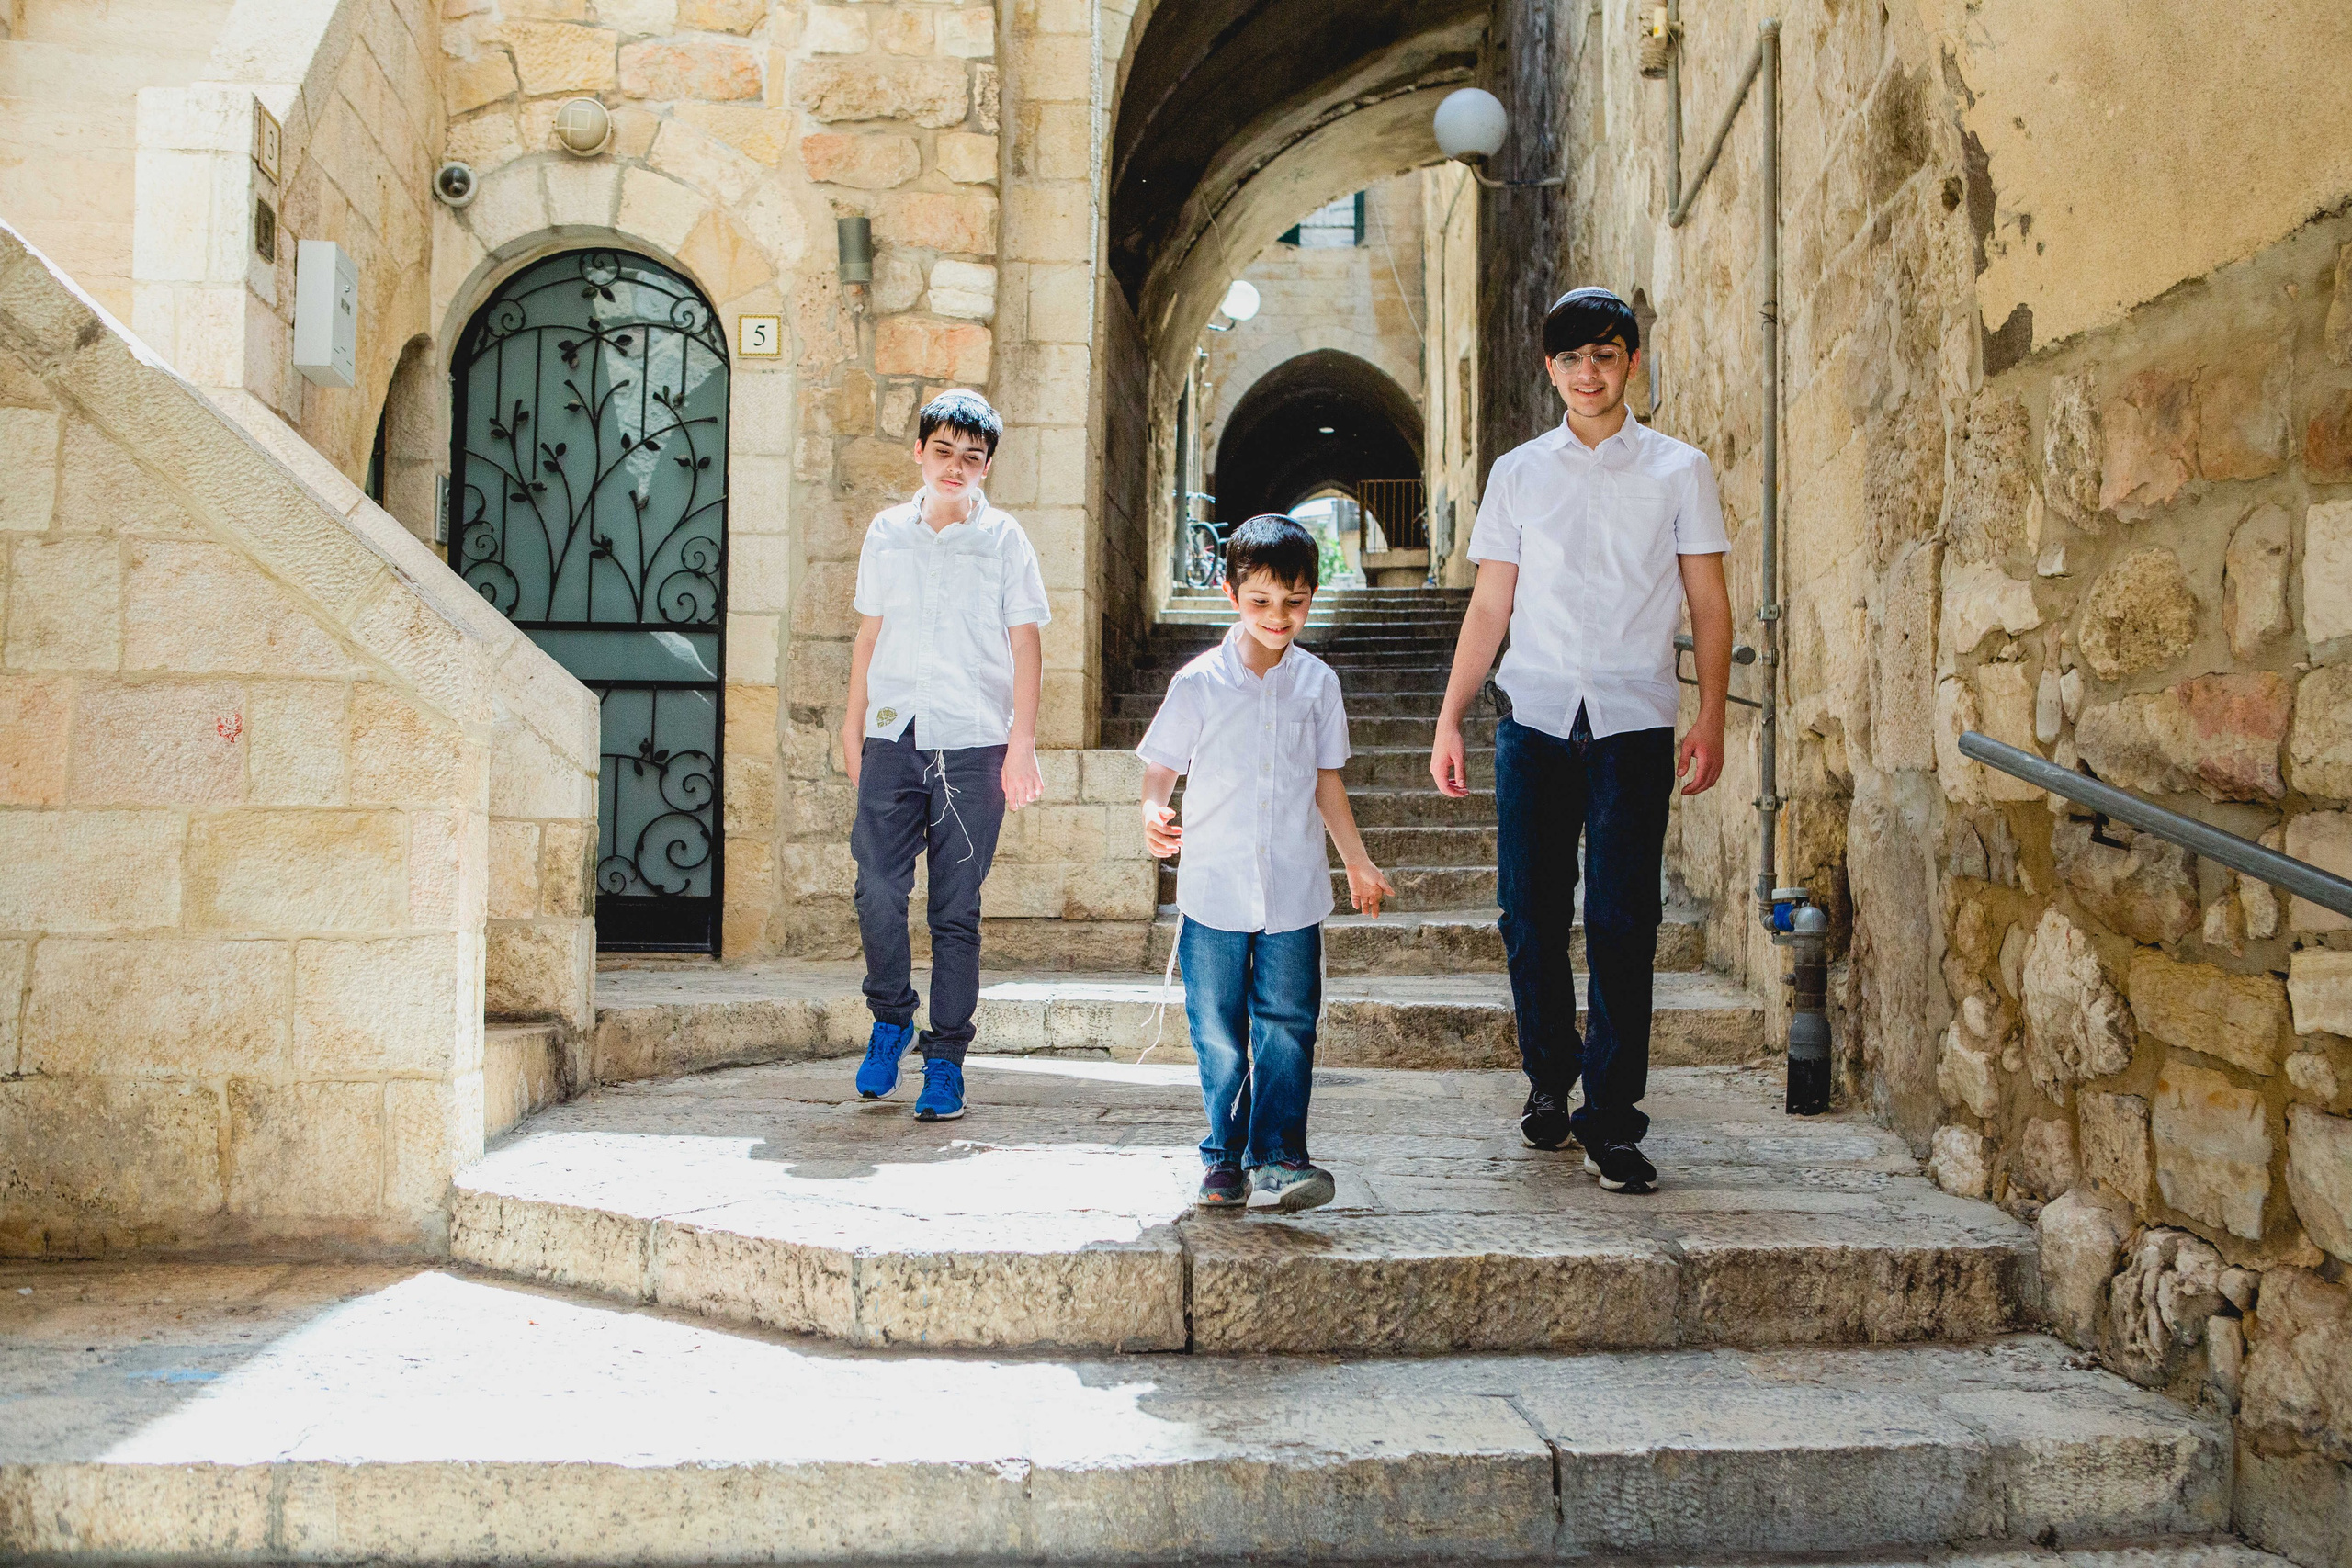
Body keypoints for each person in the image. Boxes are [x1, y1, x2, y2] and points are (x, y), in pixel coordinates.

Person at [1430, 287, 1733, 1195]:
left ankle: (1612, 1118)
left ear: (1631, 361)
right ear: (1549, 369)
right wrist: (1450, 715)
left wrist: (1712, 715)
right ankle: (1549, 1079)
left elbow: (1709, 602)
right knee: (1527, 913)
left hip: (1634, 724)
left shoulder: (1680, 470)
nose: (1588, 373)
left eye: (1604, 354)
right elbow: (1491, 604)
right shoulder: (1519, 472)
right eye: (1570, 358)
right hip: (1534, 719)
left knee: (1623, 921)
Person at [1137, 514, 1396, 1211]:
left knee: (1287, 1024)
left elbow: (1326, 780)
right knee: (1219, 1031)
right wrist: (1153, 810)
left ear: (1312, 596)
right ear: (1231, 594)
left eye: (1294, 601)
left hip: (1293, 890)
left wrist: (1357, 861)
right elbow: (1161, 766)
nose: (1278, 616)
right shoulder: (1199, 683)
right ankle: (1224, 1155)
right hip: (1213, 890)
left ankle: (1280, 1156)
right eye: (1260, 600)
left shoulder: (1318, 684)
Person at [843, 389, 1049, 1122]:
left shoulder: (1005, 541)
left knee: (955, 909)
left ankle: (946, 1062)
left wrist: (1021, 742)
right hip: (893, 732)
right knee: (877, 888)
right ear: (919, 452)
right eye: (943, 451)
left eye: (971, 456)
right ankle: (891, 1015)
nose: (955, 466)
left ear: (986, 465)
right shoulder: (886, 533)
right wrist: (851, 727)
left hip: (974, 742)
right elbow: (869, 636)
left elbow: (1026, 645)